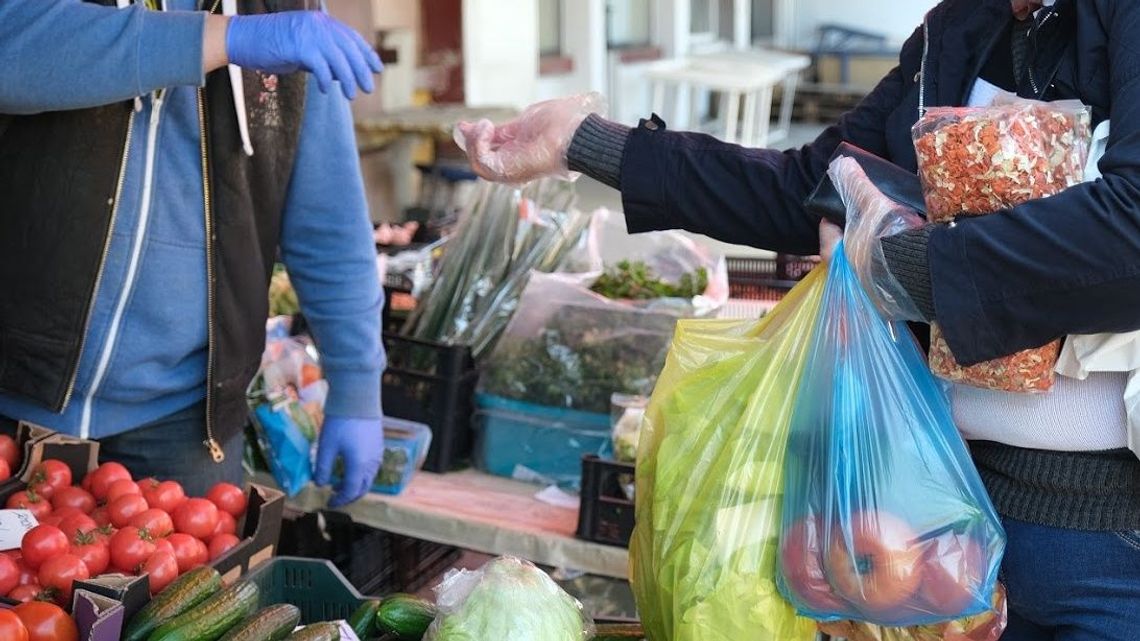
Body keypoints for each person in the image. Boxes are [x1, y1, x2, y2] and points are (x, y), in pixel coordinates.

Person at [457, 0, 1140, 638]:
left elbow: (1130, 227)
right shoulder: (961, 28)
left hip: (1113, 553)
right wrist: (587, 143)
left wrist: (904, 265)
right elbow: (816, 182)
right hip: (942, 528)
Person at [0, 0, 386, 507]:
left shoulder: (292, 12)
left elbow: (327, 220)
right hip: (15, 388)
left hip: (185, 421)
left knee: (189, 584)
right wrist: (222, 38)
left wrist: (358, 388)